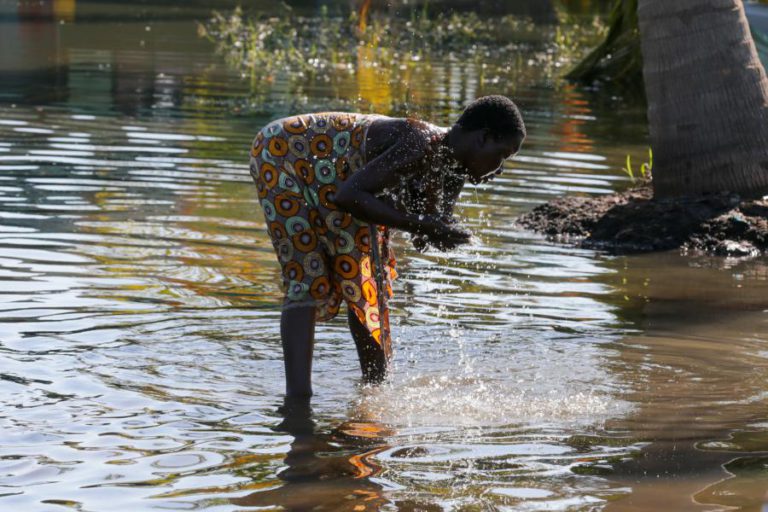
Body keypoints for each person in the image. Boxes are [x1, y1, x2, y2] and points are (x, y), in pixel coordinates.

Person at [250, 95, 526, 398]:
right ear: (483, 138)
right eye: (502, 155)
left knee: (367, 279)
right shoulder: (418, 142)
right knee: (305, 276)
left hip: (341, 178)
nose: (499, 169)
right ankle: (298, 400)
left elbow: (423, 236)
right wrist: (421, 224)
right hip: (283, 153)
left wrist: (442, 234)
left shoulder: (453, 171)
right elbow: (349, 196)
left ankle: (375, 391)